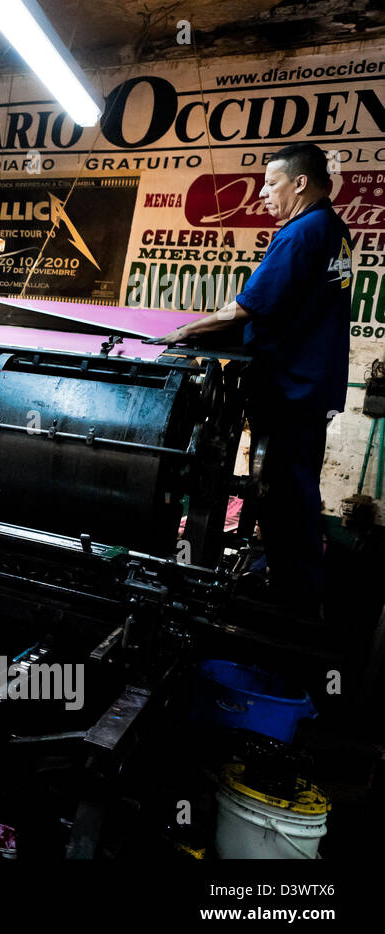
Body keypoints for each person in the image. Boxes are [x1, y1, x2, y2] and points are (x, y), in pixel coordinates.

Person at [150, 142, 351, 611]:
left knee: (284, 496)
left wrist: (182, 333)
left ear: (300, 183)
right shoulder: (333, 230)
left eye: (271, 182)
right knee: (292, 491)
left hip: (291, 389)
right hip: (310, 386)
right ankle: (295, 590)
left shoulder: (303, 233)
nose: (262, 193)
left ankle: (295, 607)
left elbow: (247, 307)